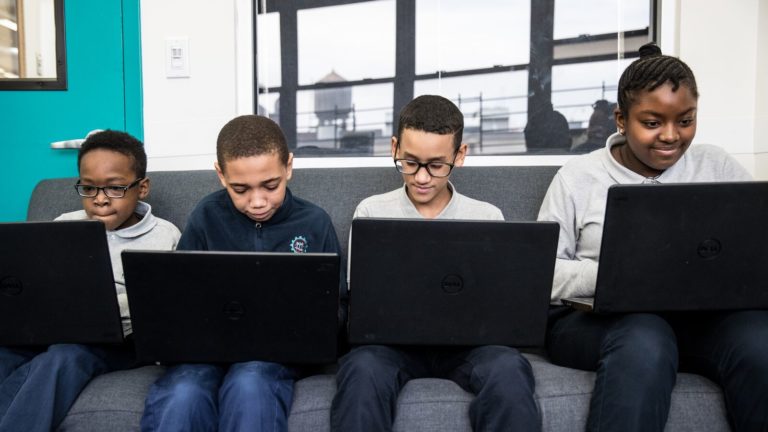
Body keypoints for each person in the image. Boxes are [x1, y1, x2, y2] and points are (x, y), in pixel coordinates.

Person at [538, 42, 768, 431]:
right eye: (652, 123)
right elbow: (541, 273)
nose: (670, 136)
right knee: (647, 337)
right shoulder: (578, 177)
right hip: (598, 323)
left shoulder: (717, 165)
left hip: (702, 319)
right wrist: (617, 277)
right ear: (621, 120)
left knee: (759, 344)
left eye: (685, 120)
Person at [331, 95, 540, 432]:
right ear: (394, 147)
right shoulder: (370, 212)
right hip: (391, 347)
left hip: (470, 347)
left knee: (509, 369)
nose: (422, 177)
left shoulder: (486, 216)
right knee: (362, 368)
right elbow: (362, 301)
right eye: (410, 162)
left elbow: (500, 304)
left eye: (436, 165)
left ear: (460, 155)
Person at [140, 115, 346, 432]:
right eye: (240, 189)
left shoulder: (314, 222)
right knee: (184, 392)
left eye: (271, 185)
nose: (258, 201)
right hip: (206, 351)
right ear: (221, 175)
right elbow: (179, 297)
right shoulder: (206, 215)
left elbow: (337, 308)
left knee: (250, 384)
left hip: (275, 355)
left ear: (288, 167)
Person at [0, 130, 180, 432]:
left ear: (142, 187)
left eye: (115, 189)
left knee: (63, 357)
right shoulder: (62, 225)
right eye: (89, 188)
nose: (99, 200)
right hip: (53, 329)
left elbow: (163, 307)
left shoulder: (165, 235)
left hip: (118, 342)